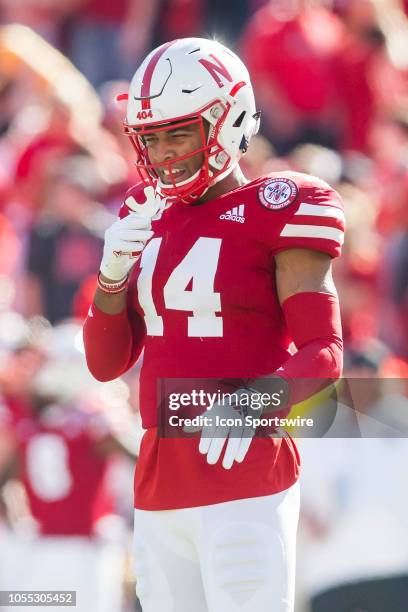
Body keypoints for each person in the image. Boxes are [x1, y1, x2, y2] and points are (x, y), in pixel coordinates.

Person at [83, 37, 344, 612]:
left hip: (244, 465)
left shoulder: (280, 202)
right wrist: (111, 279)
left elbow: (324, 353)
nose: (165, 152)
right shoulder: (140, 215)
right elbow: (105, 365)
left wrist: (255, 406)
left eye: (180, 132)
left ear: (229, 121)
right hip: (158, 478)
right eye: (151, 137)